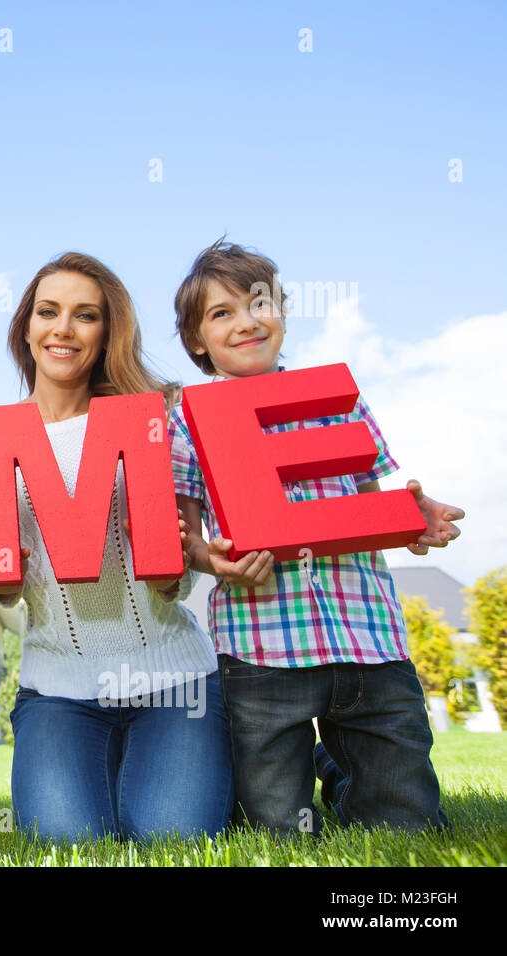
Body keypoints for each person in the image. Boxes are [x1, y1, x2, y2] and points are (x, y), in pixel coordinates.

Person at [168, 239, 465, 835]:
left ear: (282, 310)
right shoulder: (185, 419)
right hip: (263, 645)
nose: (247, 321)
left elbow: (376, 499)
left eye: (259, 303)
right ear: (197, 340)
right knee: (276, 827)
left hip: (368, 635)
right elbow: (185, 536)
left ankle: (341, 766)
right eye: (221, 314)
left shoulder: (338, 404)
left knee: (404, 823)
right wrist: (213, 561)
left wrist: (414, 515)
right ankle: (315, 763)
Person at [0, 252, 233, 844]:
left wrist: (172, 559)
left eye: (85, 315)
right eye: (48, 312)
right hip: (58, 687)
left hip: (172, 680)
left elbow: (179, 579)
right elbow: (7, 595)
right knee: (68, 842)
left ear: (106, 333)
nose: (63, 328)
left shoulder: (151, 424)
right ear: (26, 329)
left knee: (174, 837)